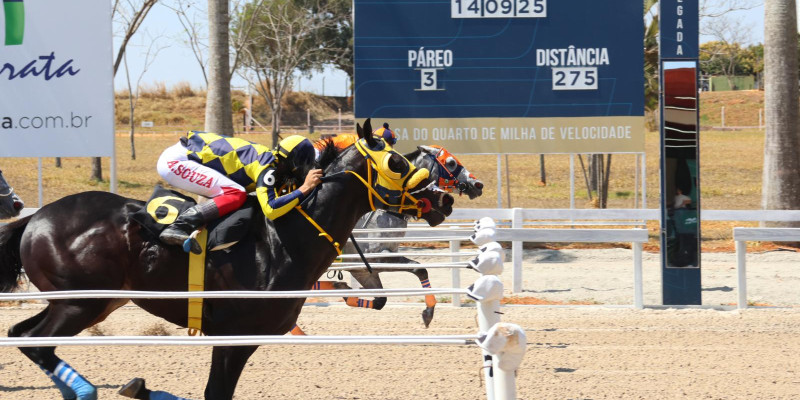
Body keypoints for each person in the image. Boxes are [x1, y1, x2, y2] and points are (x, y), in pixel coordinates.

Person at [156, 131, 322, 253]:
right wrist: (304, 188)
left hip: (184, 155)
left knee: (238, 195)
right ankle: (179, 226)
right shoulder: (266, 169)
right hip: (177, 161)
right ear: (294, 163)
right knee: (236, 193)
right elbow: (271, 210)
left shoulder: (271, 161)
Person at [312, 122, 397, 157]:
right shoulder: (351, 143)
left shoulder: (362, 142)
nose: (391, 147)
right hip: (316, 153)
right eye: (390, 144)